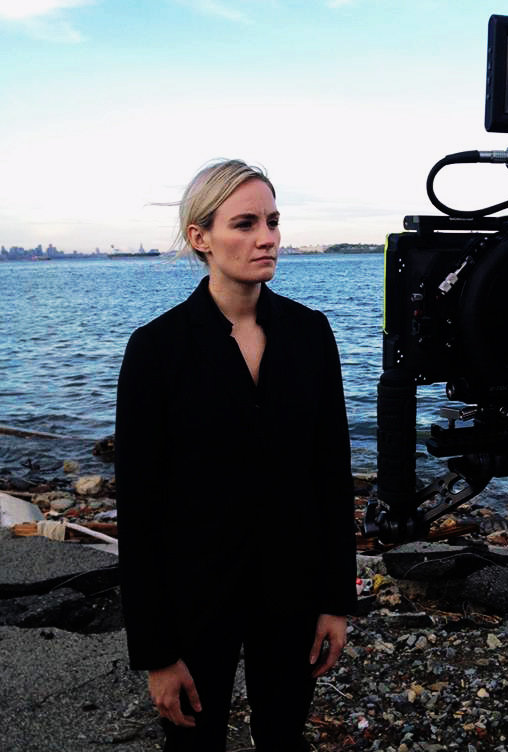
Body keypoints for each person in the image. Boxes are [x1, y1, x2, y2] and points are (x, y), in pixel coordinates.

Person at [114, 159, 358, 751]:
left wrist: (335, 600)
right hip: (195, 595)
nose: (267, 237)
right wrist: (156, 652)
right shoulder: (155, 350)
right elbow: (140, 511)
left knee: (283, 737)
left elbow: (331, 473)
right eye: (245, 223)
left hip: (293, 588)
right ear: (200, 237)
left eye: (272, 221)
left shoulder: (310, 333)